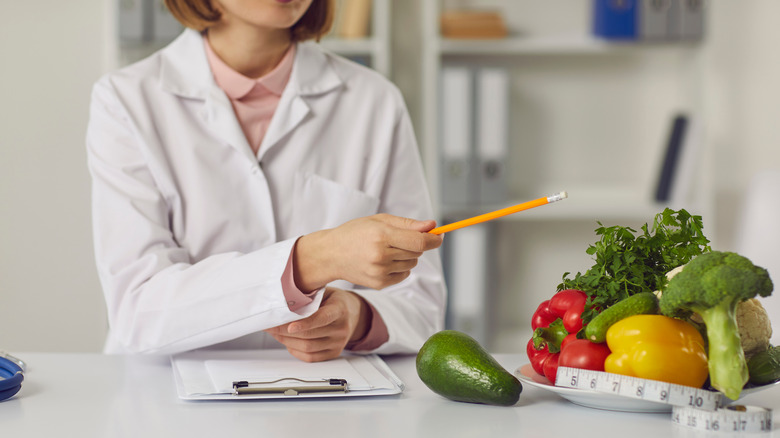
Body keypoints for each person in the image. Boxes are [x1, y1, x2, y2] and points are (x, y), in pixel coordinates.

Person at [86, 0, 446, 362]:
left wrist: (358, 316)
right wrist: (312, 260)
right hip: (164, 397)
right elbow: (137, 309)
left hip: (324, 399)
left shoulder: (375, 101)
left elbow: (423, 307)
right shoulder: (125, 100)